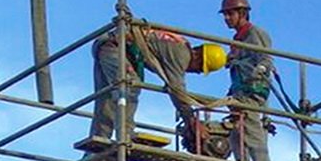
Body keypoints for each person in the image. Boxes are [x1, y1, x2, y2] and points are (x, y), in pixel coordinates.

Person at [82, 25, 225, 147]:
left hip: (112, 45)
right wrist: (191, 120)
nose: (195, 72)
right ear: (198, 56)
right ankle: (125, 136)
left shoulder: (178, 44)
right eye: (199, 68)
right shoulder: (182, 54)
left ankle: (98, 143)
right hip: (116, 46)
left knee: (107, 98)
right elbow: (176, 89)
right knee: (130, 86)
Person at [218, 0, 272, 161]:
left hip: (251, 91)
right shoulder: (238, 38)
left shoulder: (255, 33)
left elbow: (266, 59)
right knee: (236, 135)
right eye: (225, 14)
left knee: (251, 131)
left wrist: (258, 70)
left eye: (230, 14)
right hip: (239, 92)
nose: (226, 18)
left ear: (242, 13)